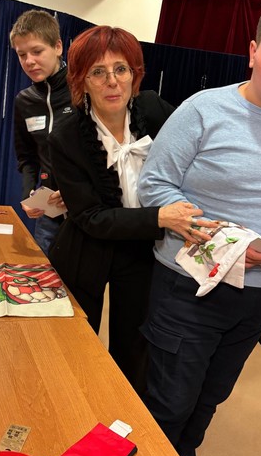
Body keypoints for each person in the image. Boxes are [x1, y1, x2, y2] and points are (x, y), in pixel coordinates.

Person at [137, 0, 261, 456]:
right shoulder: (202, 110)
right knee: (167, 402)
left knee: (211, 398)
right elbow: (154, 186)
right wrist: (225, 245)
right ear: (252, 51)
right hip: (190, 288)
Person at [47, 25, 218, 392]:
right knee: (75, 342)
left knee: (135, 345)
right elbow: (91, 217)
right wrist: (160, 217)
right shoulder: (65, 136)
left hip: (142, 250)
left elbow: (210, 129)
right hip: (86, 249)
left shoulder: (153, 109)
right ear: (81, 81)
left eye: (121, 69)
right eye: (98, 72)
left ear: (135, 74)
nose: (112, 81)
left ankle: (123, 411)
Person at [10, 9, 68, 256]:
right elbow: (26, 157)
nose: (29, 61)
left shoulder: (83, 91)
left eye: (37, 51)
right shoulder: (25, 101)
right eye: (22, 54)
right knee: (44, 275)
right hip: (48, 211)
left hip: (86, 211)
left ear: (57, 47)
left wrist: (76, 192)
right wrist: (28, 194)